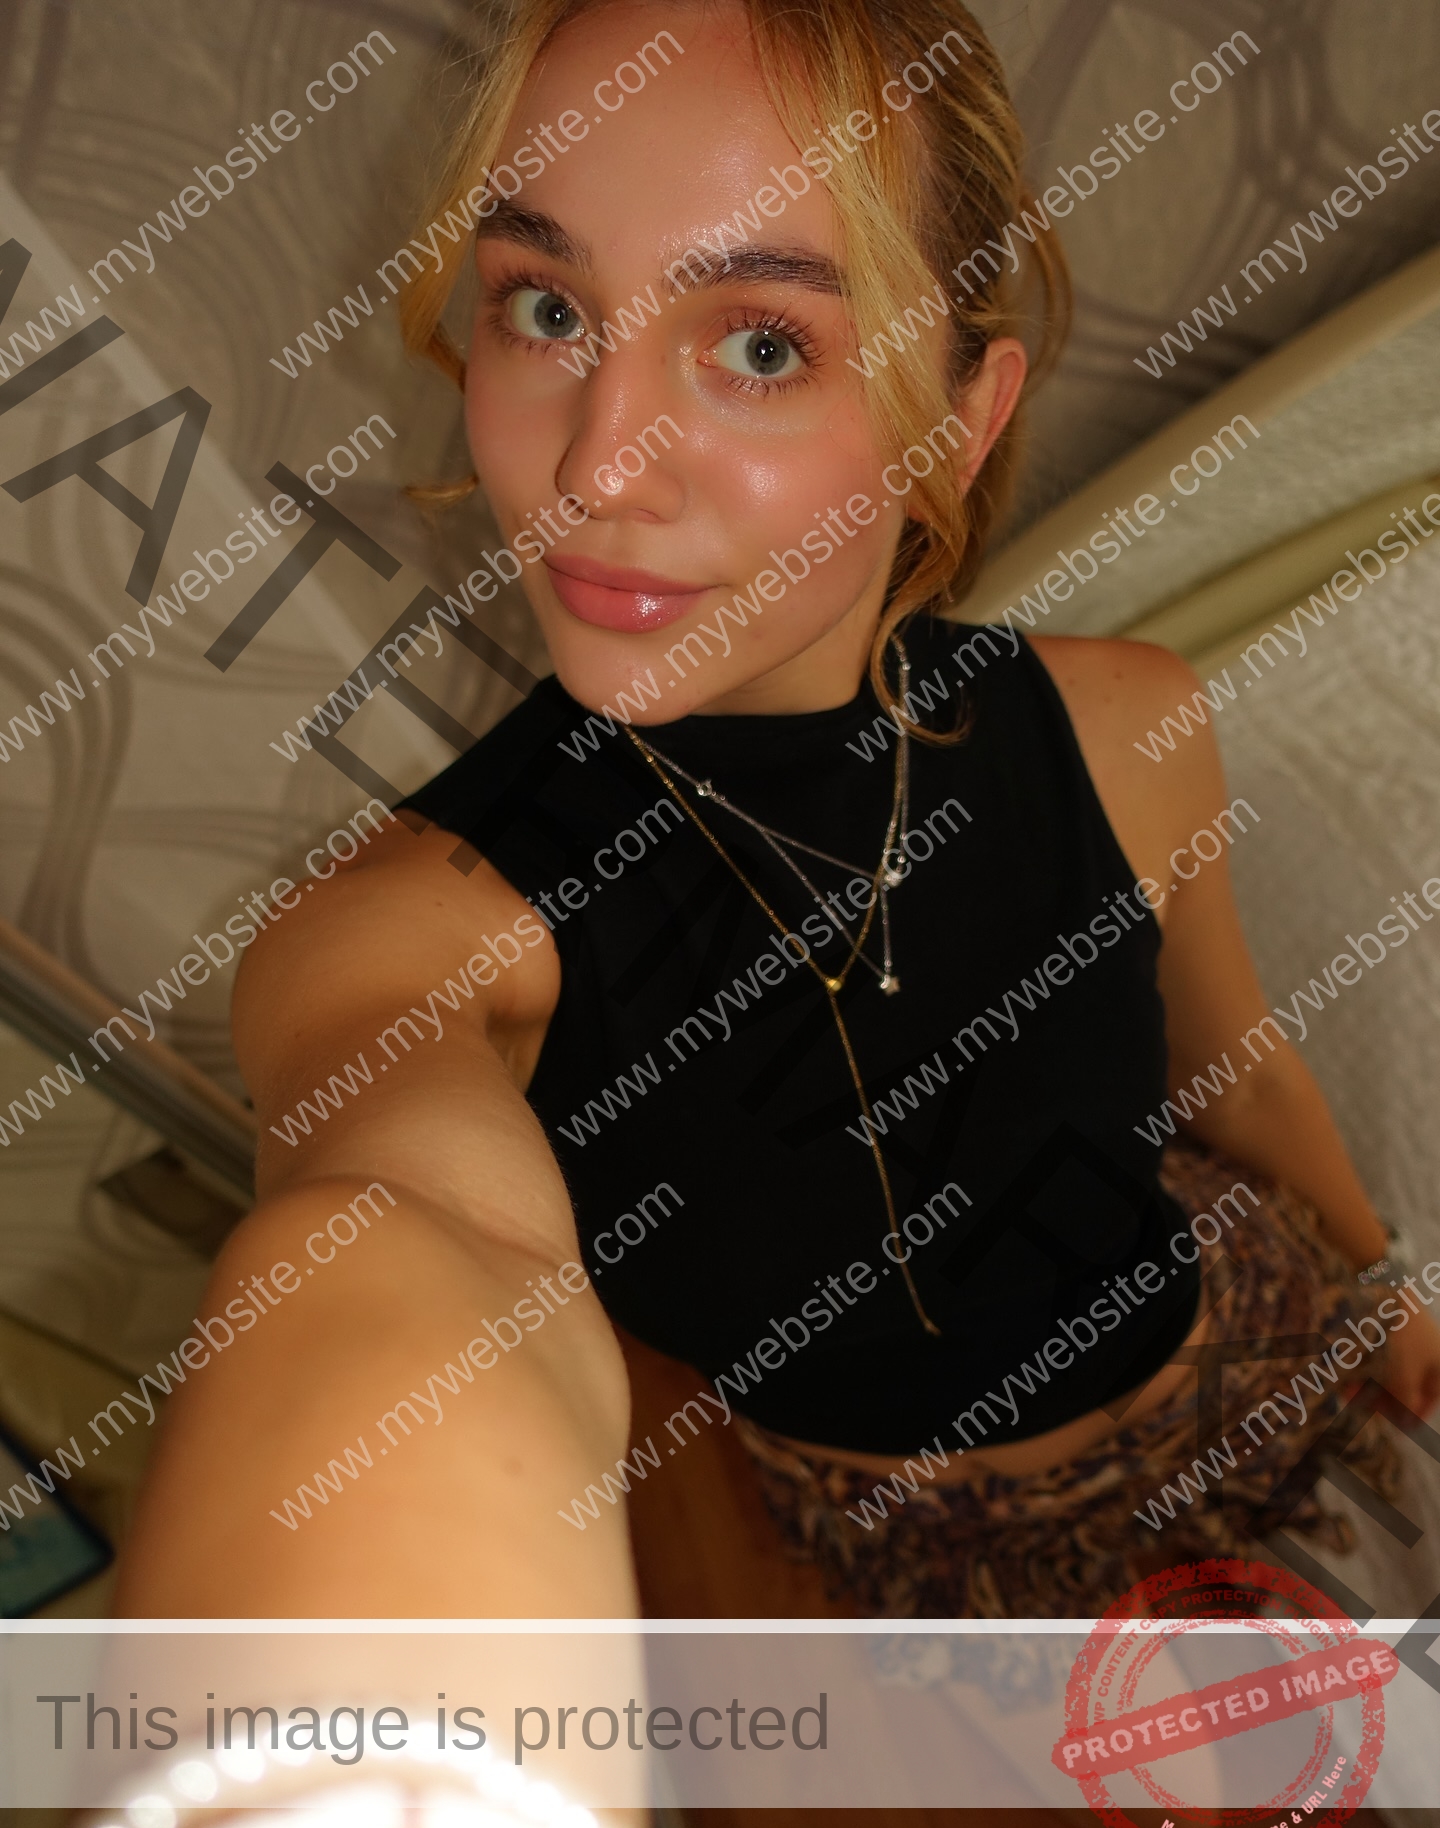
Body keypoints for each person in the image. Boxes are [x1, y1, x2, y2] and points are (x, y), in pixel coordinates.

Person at [117, 0, 1440, 1627]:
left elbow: (1237, 1073)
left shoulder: (1125, 725)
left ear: (959, 419)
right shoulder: (415, 933)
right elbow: (394, 1256)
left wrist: (1385, 1285)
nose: (597, 470)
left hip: (1263, 1369)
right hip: (929, 1579)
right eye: (546, 307)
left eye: (760, 344)